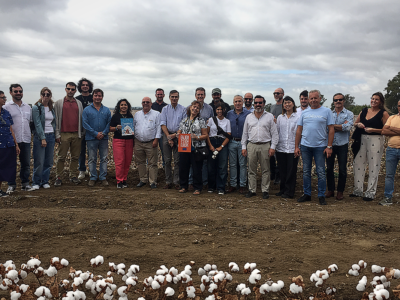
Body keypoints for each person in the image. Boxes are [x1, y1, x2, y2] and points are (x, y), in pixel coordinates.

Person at [295, 90, 334, 205]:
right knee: (306, 171)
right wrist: (296, 146)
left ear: (320, 98)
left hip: (320, 147)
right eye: (311, 98)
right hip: (305, 146)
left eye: (315, 98)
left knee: (321, 171)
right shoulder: (305, 113)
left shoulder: (326, 111)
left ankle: (321, 195)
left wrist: (329, 146)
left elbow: (331, 129)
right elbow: (299, 130)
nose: (313, 100)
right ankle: (307, 194)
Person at [351, 92, 389, 201]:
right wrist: (358, 124)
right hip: (361, 138)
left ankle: (370, 192)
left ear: (381, 101)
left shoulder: (383, 113)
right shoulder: (364, 111)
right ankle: (358, 190)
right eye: (372, 99)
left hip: (376, 139)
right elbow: (355, 123)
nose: (374, 101)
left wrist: (373, 130)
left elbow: (386, 130)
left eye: (376, 99)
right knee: (358, 163)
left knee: (374, 165)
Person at [242, 95, 278, 199]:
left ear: (264, 104)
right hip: (252, 145)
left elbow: (274, 134)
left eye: (260, 102)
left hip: (265, 145)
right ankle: (252, 190)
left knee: (266, 169)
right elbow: (245, 133)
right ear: (254, 104)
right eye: (256, 103)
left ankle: (265, 190)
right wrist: (244, 146)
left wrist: (273, 147)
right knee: (251, 169)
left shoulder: (270, 116)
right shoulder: (249, 117)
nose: (258, 105)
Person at [4, 84, 32, 192]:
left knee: (25, 163)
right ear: (10, 93)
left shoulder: (27, 107)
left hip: (25, 139)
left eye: (20, 91)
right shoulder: (6, 107)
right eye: (16, 91)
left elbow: (29, 122)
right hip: (12, 140)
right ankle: (11, 184)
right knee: (11, 164)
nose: (18, 93)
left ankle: (25, 183)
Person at [54, 82, 83, 186]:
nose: (70, 91)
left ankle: (73, 176)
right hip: (64, 133)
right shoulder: (58, 103)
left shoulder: (78, 103)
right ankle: (59, 177)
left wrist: (81, 133)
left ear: (75, 91)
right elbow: (56, 119)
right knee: (61, 157)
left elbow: (81, 119)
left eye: (72, 89)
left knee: (75, 157)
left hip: (76, 134)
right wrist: (57, 134)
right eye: (68, 89)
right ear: (65, 89)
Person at [325, 93, 354, 200]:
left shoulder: (349, 114)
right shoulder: (329, 113)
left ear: (344, 101)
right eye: (336, 100)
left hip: (342, 145)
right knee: (329, 168)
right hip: (330, 145)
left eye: (340, 100)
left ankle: (340, 191)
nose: (338, 101)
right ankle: (331, 190)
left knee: (342, 169)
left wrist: (332, 126)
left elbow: (347, 127)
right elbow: (326, 128)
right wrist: (339, 126)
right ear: (333, 102)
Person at [82, 88, 112, 186]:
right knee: (92, 158)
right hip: (91, 138)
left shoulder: (106, 110)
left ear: (102, 97)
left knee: (104, 158)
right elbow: (85, 124)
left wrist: (103, 133)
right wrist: (95, 133)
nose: (97, 97)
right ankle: (93, 177)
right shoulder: (87, 110)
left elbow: (109, 123)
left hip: (104, 138)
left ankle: (103, 177)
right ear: (93, 96)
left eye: (99, 96)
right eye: (96, 95)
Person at [177, 100, 208, 195]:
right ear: (190, 108)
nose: (195, 109)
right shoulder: (184, 120)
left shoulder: (201, 121)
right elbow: (179, 131)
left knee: (197, 169)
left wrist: (196, 137)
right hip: (184, 147)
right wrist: (178, 134)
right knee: (183, 167)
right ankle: (183, 186)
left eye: (197, 108)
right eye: (194, 106)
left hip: (196, 148)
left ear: (199, 110)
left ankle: (197, 188)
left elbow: (205, 135)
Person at [187, 87, 214, 189]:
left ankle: (204, 182)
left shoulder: (209, 109)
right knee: (191, 161)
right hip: (191, 140)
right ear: (195, 95)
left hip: (204, 138)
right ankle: (191, 181)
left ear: (205, 96)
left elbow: (212, 123)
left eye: (202, 94)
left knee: (204, 161)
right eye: (198, 94)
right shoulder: (189, 107)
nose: (200, 96)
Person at [31, 87, 56, 190]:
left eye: (48, 94)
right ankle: (36, 182)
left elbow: (53, 122)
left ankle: (44, 181)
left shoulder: (51, 108)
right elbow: (37, 124)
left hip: (51, 135)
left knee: (49, 161)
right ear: (41, 95)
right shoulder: (36, 108)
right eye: (44, 94)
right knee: (39, 161)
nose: (46, 96)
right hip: (41, 136)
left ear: (50, 96)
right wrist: (42, 138)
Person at [160, 90, 186, 189]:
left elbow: (183, 125)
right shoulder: (165, 109)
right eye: (172, 97)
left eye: (176, 97)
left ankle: (176, 182)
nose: (174, 98)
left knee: (177, 161)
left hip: (179, 136)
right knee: (167, 161)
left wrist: (174, 135)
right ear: (169, 98)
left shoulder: (183, 109)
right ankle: (168, 181)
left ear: (178, 98)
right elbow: (163, 123)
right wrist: (168, 137)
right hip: (167, 135)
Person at [134, 97, 161, 189]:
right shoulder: (137, 114)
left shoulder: (156, 114)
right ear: (141, 104)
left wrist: (156, 140)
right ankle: (143, 180)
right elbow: (133, 127)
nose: (145, 103)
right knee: (140, 162)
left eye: (147, 102)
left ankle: (152, 181)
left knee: (152, 163)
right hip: (138, 142)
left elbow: (159, 128)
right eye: (143, 102)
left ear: (151, 103)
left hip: (151, 142)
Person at [275, 96, 300, 199]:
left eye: (289, 102)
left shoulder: (298, 117)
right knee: (282, 170)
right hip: (281, 148)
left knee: (291, 171)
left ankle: (290, 191)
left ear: (293, 104)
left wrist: (297, 147)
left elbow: (299, 133)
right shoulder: (280, 118)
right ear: (283, 105)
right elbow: (277, 132)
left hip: (292, 148)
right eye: (285, 103)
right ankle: (283, 189)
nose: (287, 104)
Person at [226, 95, 250, 194]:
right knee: (232, 165)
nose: (238, 103)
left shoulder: (248, 114)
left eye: (239, 101)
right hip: (231, 141)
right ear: (233, 102)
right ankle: (233, 184)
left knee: (243, 164)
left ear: (243, 102)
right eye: (236, 101)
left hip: (243, 142)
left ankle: (242, 185)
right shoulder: (229, 114)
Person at [206, 103, 231, 195]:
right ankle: (211, 186)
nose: (219, 111)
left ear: (224, 110)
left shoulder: (227, 121)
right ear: (215, 111)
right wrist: (210, 146)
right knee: (211, 166)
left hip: (222, 143)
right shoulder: (211, 120)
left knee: (222, 166)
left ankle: (221, 187)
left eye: (221, 109)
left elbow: (228, 136)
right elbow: (206, 134)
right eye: (217, 109)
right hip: (212, 141)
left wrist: (221, 147)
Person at [109, 98, 134, 188]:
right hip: (118, 140)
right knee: (119, 161)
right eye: (122, 105)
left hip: (129, 141)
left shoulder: (130, 116)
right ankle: (119, 181)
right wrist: (116, 128)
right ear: (119, 106)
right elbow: (110, 128)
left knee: (127, 161)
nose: (124, 106)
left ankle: (124, 180)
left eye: (125, 105)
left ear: (128, 106)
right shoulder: (115, 116)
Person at [0, 90, 20, 197]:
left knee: (6, 167)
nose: (4, 99)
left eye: (4, 97)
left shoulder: (6, 113)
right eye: (2, 98)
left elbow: (10, 129)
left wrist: (16, 144)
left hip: (8, 144)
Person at [380, 100, 400, 206]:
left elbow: (388, 129)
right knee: (389, 175)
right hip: (391, 149)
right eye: (399, 105)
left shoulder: (391, 121)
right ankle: (388, 197)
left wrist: (391, 128)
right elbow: (383, 131)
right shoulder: (392, 118)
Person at [76, 78, 94, 180]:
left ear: (90, 87)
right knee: (81, 151)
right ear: (80, 87)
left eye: (87, 85)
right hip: (80, 129)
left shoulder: (93, 98)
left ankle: (92, 170)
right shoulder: (77, 99)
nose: (85, 86)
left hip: (91, 129)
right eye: (83, 85)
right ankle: (82, 170)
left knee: (92, 151)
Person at [269, 87, 284, 185]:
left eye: (278, 93)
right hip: (271, 135)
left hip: (281, 135)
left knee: (279, 157)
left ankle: (279, 176)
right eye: (274, 93)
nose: (276, 95)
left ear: (283, 94)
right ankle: (273, 174)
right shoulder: (272, 107)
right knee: (271, 157)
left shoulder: (285, 106)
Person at [151, 88, 168, 167]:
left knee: (164, 152)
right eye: (158, 94)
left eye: (161, 94)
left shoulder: (167, 107)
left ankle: (164, 167)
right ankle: (151, 167)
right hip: (153, 133)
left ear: (164, 95)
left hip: (163, 133)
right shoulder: (151, 106)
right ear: (155, 95)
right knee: (151, 152)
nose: (160, 96)